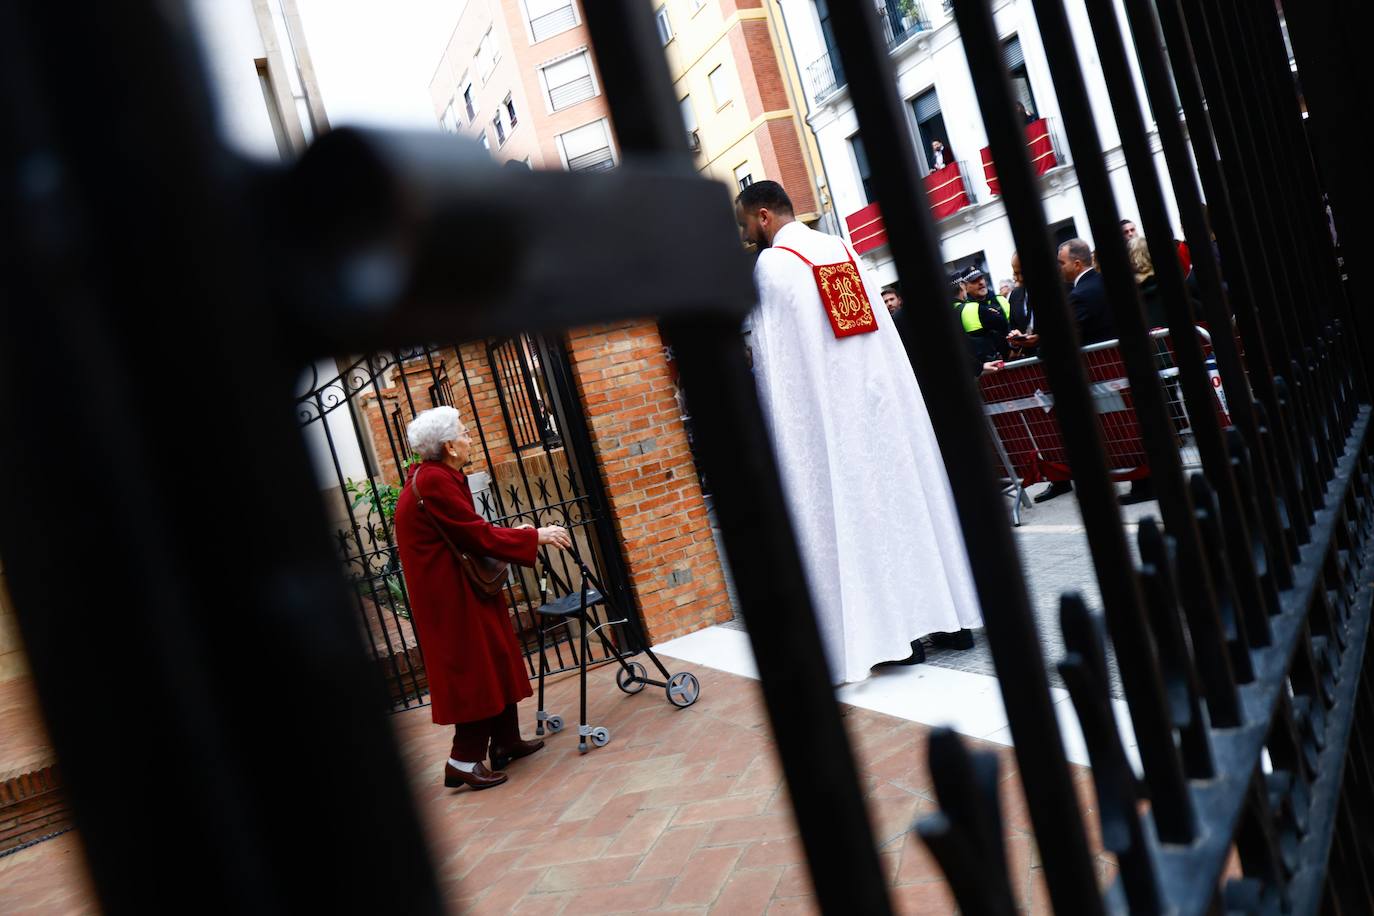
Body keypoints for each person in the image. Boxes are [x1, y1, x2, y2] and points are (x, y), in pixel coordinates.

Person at [736, 180, 981, 682]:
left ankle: (895, 638)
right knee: (911, 507)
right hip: (882, 407)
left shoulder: (775, 264)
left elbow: (776, 360)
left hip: (832, 419)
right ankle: (951, 620)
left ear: (763, 216)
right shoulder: (840, 248)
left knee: (860, 519)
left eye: (745, 225)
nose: (745, 236)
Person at [393, 406, 573, 791]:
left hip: (462, 589)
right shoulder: (437, 481)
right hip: (452, 598)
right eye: (464, 432)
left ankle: (505, 740)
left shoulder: (437, 476)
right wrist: (533, 536)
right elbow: (474, 537)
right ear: (448, 446)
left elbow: (466, 529)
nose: (470, 437)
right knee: (475, 671)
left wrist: (513, 533)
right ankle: (462, 761)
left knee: (497, 657)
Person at [1059, 238, 1115, 344]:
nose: (1060, 268)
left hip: (1101, 357)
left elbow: (1068, 337)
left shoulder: (1078, 296)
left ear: (1077, 264)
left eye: (1062, 263)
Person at [956, 267, 1013, 364]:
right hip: (989, 367)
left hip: (1013, 358)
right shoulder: (966, 310)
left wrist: (1015, 349)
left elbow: (1014, 326)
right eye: (974, 281)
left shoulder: (1000, 300)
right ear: (965, 287)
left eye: (981, 278)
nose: (981, 283)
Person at [1006, 252, 1038, 358]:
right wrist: (1015, 337)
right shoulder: (1015, 295)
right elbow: (1013, 325)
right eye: (1015, 273)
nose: (1016, 278)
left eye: (1020, 273)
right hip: (1030, 360)